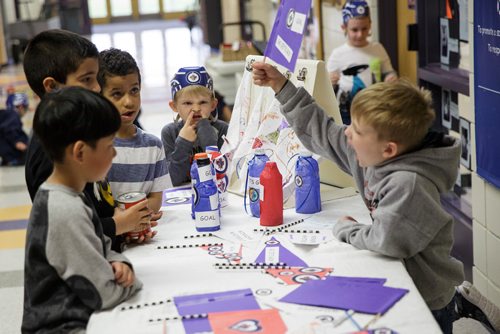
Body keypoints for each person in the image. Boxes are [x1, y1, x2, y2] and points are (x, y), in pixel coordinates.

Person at [251, 62, 464, 333]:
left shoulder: (409, 185)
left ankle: (459, 302)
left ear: (389, 149)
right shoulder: (368, 150)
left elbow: (387, 242)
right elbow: (323, 132)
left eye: (358, 130)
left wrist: (347, 229)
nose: (347, 133)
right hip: (399, 277)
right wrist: (281, 86)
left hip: (427, 297)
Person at [22, 86, 142, 333]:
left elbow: (101, 247)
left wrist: (119, 262)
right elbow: (104, 294)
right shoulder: (64, 209)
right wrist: (134, 283)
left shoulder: (73, 193)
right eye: (109, 145)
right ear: (80, 152)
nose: (115, 152)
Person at [22, 29, 151, 251]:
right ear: (52, 87)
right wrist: (118, 224)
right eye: (87, 79)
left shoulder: (76, 129)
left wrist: (121, 227)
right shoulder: (50, 151)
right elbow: (68, 227)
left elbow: (94, 204)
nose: (97, 88)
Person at [98, 48, 170, 215]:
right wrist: (126, 223)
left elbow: (155, 199)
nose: (129, 102)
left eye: (134, 90)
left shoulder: (154, 146)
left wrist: (136, 220)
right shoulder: (95, 147)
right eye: (117, 94)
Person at [327, 0, 397, 124]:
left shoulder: (377, 49)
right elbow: (326, 90)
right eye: (354, 30)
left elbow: (389, 72)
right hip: (347, 113)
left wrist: (391, 78)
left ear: (370, 24)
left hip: (375, 108)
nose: (360, 34)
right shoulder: (337, 54)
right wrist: (330, 82)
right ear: (344, 27)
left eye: (364, 29)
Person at [161, 66, 228, 186]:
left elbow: (223, 174)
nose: (196, 108)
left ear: (213, 105)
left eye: (203, 102)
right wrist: (183, 142)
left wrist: (209, 140)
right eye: (187, 103)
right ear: (174, 106)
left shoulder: (223, 129)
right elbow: (172, 180)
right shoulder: (169, 132)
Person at [0, 93, 29, 166]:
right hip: (11, 155)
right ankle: (11, 159)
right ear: (21, 107)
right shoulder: (13, 115)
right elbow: (10, 130)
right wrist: (19, 143)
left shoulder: (5, 114)